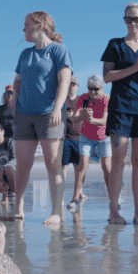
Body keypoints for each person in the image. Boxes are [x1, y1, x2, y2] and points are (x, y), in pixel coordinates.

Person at [101, 1, 138, 225]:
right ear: (124, 20)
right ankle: (114, 212)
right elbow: (107, 77)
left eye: (136, 18)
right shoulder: (115, 45)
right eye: (128, 19)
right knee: (118, 161)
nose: (132, 23)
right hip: (120, 109)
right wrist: (134, 67)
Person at [10, 10, 73, 224]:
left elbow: (64, 81)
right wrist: (14, 97)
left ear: (38, 24)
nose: (23, 29)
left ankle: (56, 211)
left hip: (49, 114)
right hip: (24, 115)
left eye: (26, 24)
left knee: (52, 164)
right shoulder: (25, 54)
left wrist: (57, 108)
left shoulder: (58, 50)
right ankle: (18, 207)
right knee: (23, 165)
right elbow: (17, 81)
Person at [70, 75, 112, 208]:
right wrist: (82, 115)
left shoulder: (106, 99)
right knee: (82, 166)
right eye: (90, 89)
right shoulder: (83, 98)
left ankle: (113, 198)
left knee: (106, 167)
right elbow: (74, 119)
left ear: (102, 88)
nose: (93, 92)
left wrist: (91, 119)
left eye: (96, 89)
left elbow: (104, 121)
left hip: (104, 137)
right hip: (86, 136)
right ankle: (75, 198)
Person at [62, 75, 83, 206]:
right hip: (65, 138)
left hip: (79, 139)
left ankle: (79, 192)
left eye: (74, 84)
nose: (71, 86)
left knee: (78, 168)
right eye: (69, 83)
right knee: (63, 167)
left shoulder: (81, 100)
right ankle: (61, 193)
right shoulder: (62, 99)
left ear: (77, 86)